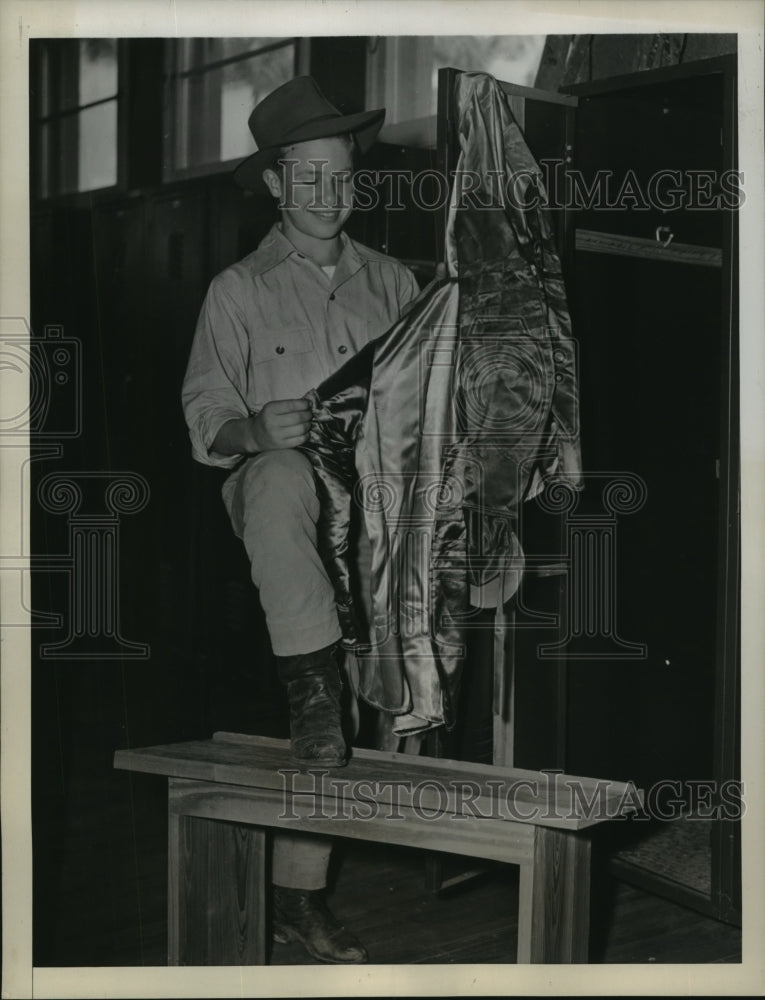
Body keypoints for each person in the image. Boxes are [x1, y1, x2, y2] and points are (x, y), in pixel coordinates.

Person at [181, 76, 419, 964]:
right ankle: (308, 683)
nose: (329, 195)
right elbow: (208, 419)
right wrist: (254, 425)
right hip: (279, 503)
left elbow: (428, 407)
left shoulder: (395, 282)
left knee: (358, 729)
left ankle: (295, 901)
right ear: (277, 184)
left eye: (343, 176)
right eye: (307, 178)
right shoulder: (236, 291)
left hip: (374, 510)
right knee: (279, 471)